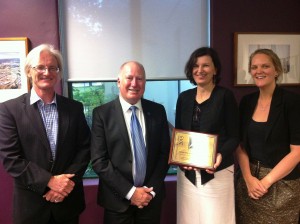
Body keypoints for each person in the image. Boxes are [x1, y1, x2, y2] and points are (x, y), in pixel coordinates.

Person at [0, 44, 91, 224]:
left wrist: (64, 185)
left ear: (58, 73)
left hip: (68, 203)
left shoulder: (74, 108)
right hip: (31, 207)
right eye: (40, 67)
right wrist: (49, 181)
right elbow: (11, 158)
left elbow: (85, 148)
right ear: (28, 71)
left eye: (52, 68)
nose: (46, 72)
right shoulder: (9, 110)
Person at [90, 61, 170, 224]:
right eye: (129, 78)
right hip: (117, 201)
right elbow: (99, 161)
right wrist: (131, 192)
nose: (134, 83)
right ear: (119, 82)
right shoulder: (102, 114)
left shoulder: (157, 111)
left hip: (150, 200)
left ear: (145, 83)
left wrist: (149, 193)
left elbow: (164, 153)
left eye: (139, 79)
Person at [235, 48, 300, 223]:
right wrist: (249, 179)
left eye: (265, 66)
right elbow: (240, 145)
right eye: (254, 67)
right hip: (249, 185)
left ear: (277, 70)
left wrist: (265, 182)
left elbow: (297, 152)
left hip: (281, 185)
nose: (259, 71)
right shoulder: (247, 102)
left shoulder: (292, 102)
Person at [175, 47, 239, 224]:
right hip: (187, 175)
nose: (200, 70)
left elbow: (235, 135)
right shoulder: (184, 98)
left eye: (206, 65)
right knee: (188, 218)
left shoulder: (225, 96)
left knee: (216, 219)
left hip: (217, 171)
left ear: (215, 69)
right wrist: (180, 159)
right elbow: (179, 135)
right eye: (196, 66)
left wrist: (220, 155)